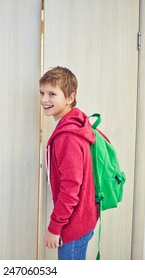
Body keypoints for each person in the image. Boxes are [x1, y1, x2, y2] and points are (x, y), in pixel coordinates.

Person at [39, 66, 99, 260]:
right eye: (42, 93)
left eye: (51, 94)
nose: (44, 100)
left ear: (70, 97)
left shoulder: (67, 137)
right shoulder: (74, 125)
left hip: (72, 226)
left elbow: (70, 187)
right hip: (83, 218)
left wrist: (55, 227)